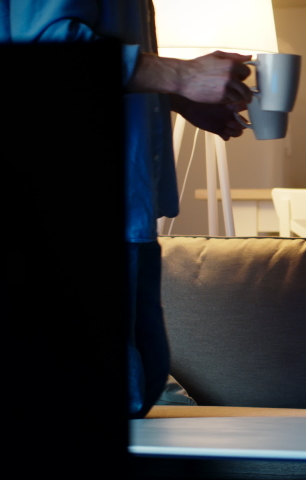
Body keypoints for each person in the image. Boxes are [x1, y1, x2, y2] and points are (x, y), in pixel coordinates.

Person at [3, 0, 252, 418]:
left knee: (134, 400)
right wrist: (182, 75)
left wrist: (175, 96)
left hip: (128, 209)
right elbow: (42, 44)